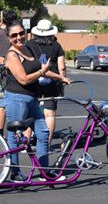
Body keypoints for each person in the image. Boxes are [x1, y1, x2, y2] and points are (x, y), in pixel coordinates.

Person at [4, 19, 70, 182]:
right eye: (14, 35)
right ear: (8, 38)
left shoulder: (29, 48)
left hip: (32, 99)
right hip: (17, 98)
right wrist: (41, 72)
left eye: (21, 33)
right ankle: (14, 173)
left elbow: (44, 69)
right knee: (15, 138)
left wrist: (61, 78)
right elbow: (24, 79)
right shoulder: (11, 55)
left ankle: (45, 172)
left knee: (42, 133)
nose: (19, 37)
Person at [26, 19, 67, 149]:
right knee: (50, 114)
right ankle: (46, 144)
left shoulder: (29, 44)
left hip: (34, 79)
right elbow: (62, 67)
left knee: (30, 113)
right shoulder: (57, 46)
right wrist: (62, 82)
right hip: (52, 82)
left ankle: (26, 143)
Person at [0, 10, 18, 137]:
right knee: (4, 103)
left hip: (3, 67)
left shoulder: (3, 32)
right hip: (9, 68)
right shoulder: (15, 33)